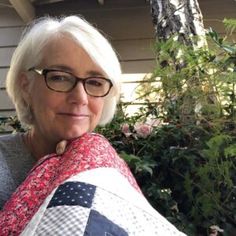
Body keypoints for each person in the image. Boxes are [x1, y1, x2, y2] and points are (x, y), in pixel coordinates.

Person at [0, 15, 185, 235]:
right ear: (25, 86)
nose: (80, 97)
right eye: (60, 77)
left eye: (95, 82)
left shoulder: (106, 172)